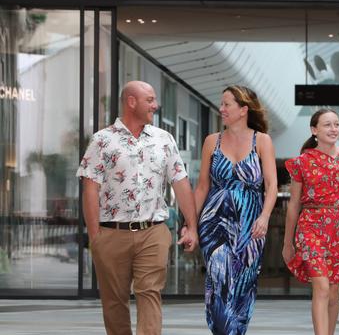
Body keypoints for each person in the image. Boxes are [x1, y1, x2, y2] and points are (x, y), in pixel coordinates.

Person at [77, 80, 198, 335]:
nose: (156, 105)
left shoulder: (163, 139)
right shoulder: (102, 140)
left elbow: (180, 182)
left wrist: (191, 225)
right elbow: (90, 188)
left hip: (153, 231)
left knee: (149, 292)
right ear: (131, 102)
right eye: (150, 100)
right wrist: (95, 235)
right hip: (111, 233)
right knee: (114, 302)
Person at [192, 85, 277, 335]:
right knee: (218, 284)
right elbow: (202, 187)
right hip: (214, 223)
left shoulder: (262, 141)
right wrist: (190, 224)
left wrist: (265, 217)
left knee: (243, 285)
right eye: (222, 104)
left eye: (227, 104)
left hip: (250, 224)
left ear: (243, 110)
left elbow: (271, 186)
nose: (221, 109)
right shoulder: (212, 141)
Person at [282, 108, 339, 335]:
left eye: (337, 124)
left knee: (333, 291)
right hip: (310, 226)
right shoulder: (301, 162)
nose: (333, 129)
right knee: (321, 286)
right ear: (314, 130)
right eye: (327, 124)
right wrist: (287, 242)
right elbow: (293, 205)